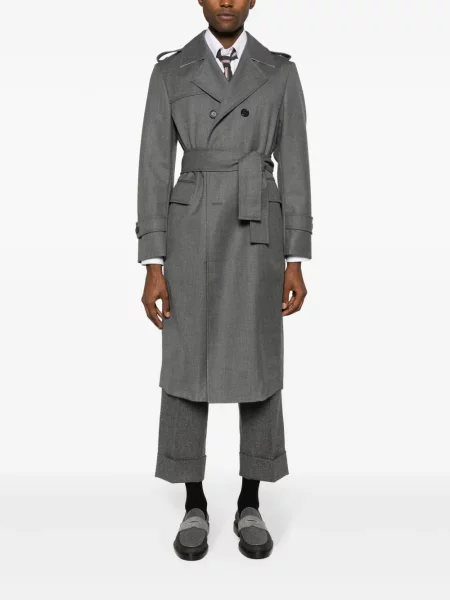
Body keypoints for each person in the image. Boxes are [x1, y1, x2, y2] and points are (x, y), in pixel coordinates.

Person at [136, 0, 312, 560]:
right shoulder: (171, 71)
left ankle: (250, 501)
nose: (227, 1)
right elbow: (153, 168)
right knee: (186, 363)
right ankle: (194, 502)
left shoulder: (279, 72)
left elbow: (296, 164)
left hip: (258, 228)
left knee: (257, 363)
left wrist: (296, 256)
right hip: (190, 231)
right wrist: (153, 261)